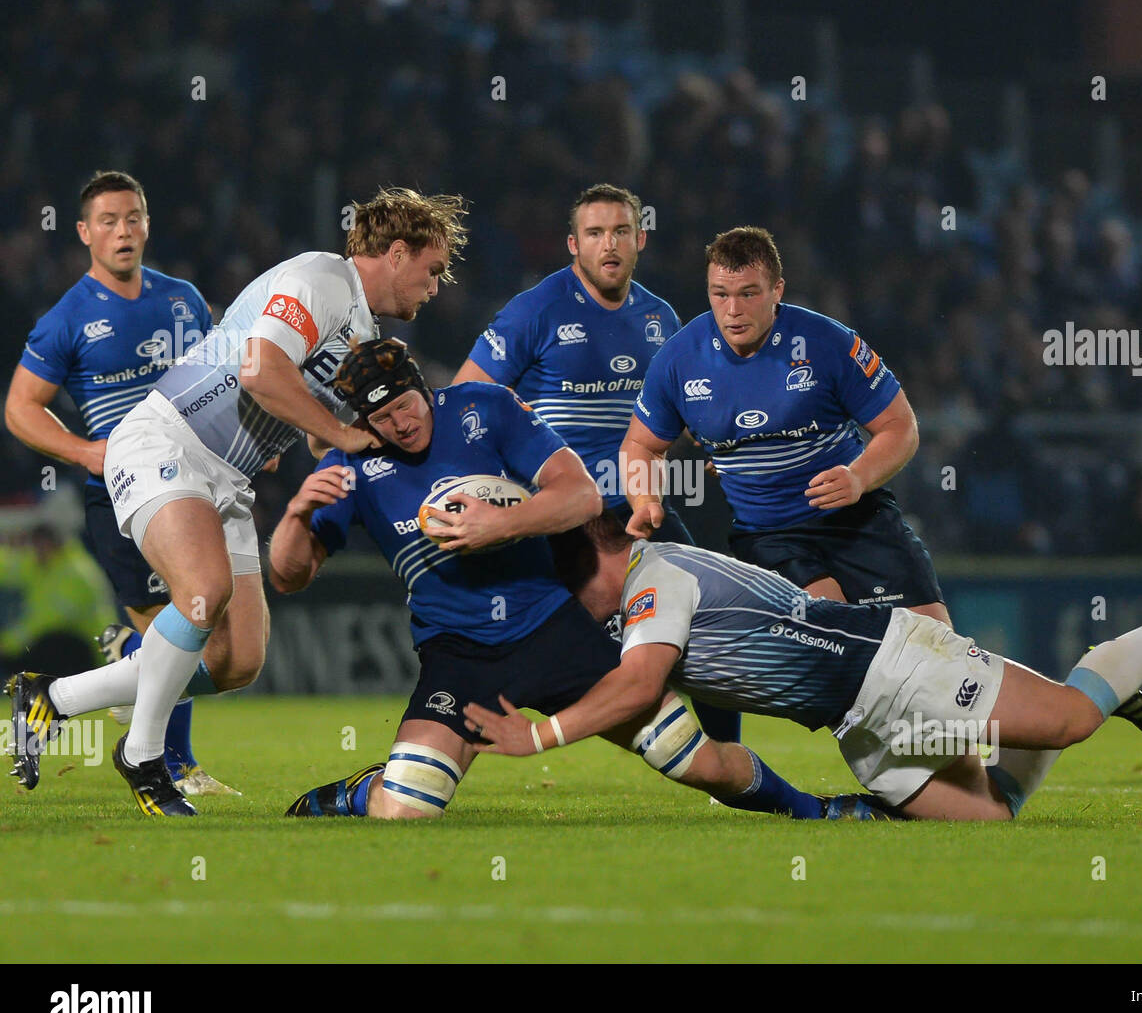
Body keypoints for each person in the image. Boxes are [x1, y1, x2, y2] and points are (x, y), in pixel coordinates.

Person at [273, 339, 879, 822]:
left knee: (687, 757)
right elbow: (289, 575)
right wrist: (299, 515)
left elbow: (582, 496)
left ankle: (815, 809)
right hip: (458, 656)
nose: (401, 424)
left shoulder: (486, 408)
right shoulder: (349, 466)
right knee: (403, 809)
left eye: (406, 405)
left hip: (553, 630)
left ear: (423, 388)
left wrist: (501, 524)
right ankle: (364, 789)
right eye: (382, 418)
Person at [7, 189, 468, 816]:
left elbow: (303, 422)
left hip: (228, 476)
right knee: (202, 591)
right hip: (163, 441)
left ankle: (51, 698)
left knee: (236, 660)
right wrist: (340, 432)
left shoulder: (360, 330)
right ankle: (143, 758)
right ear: (395, 253)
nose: (435, 287)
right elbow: (258, 369)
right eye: (433, 269)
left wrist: (371, 416)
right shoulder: (321, 277)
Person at [467, 514, 1142, 821]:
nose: (584, 600)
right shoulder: (645, 584)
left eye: (581, 581)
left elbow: (641, 686)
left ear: (613, 549)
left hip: (894, 665)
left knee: (1070, 717)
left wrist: (537, 739)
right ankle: (1116, 673)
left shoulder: (656, 581)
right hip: (856, 720)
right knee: (994, 819)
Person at [452, 184, 741, 744]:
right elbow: (467, 401)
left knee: (707, 623)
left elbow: (671, 418)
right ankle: (433, 754)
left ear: (640, 239)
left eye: (620, 231)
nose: (608, 244)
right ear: (572, 245)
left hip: (635, 506)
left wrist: (710, 444)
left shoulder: (661, 317)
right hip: (560, 513)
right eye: (594, 233)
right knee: (515, 651)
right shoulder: (534, 309)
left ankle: (726, 764)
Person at [3, 170, 234, 794]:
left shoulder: (183, 298)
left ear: (147, 223)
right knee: (182, 621)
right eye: (107, 221)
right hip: (123, 497)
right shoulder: (67, 318)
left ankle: (91, 675)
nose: (123, 231)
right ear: (84, 233)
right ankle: (172, 765)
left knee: (223, 650)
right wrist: (83, 451)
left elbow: (218, 382)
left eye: (133, 217)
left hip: (196, 484)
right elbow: (20, 406)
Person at [622, 225, 949, 630]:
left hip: (858, 519)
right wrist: (644, 501)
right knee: (839, 633)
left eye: (748, 293)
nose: (732, 310)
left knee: (936, 641)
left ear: (777, 289)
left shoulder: (828, 342)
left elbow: (901, 427)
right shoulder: (678, 359)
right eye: (720, 294)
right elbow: (641, 445)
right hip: (770, 537)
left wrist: (858, 476)